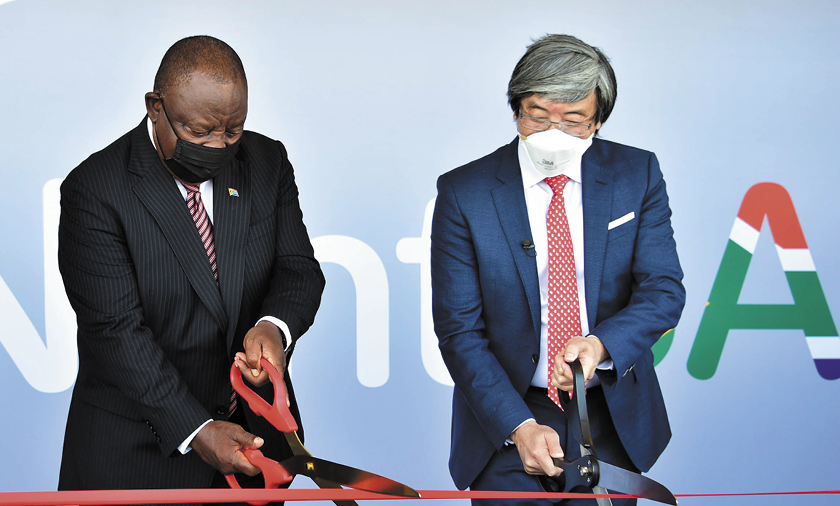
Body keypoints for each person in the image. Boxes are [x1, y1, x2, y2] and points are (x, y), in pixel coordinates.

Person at [57, 35, 325, 495]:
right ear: (155, 107)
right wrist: (197, 430)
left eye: (233, 131)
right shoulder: (94, 189)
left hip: (255, 455)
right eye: (200, 132)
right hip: (135, 463)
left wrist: (273, 328)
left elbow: (298, 269)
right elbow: (117, 333)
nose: (219, 146)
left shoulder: (268, 162)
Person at [431, 34, 685, 505]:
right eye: (538, 115)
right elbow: (458, 330)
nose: (553, 133)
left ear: (599, 121)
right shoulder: (465, 192)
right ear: (515, 110)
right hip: (507, 415)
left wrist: (600, 344)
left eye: (573, 122)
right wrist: (518, 426)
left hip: (608, 411)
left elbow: (663, 290)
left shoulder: (637, 174)